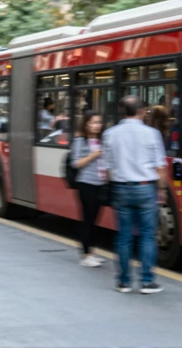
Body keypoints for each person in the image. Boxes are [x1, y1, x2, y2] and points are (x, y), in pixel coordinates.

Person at [103, 96, 167, 294]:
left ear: (122, 112)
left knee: (124, 236)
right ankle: (147, 281)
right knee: (148, 234)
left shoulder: (110, 134)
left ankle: (123, 281)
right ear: (141, 111)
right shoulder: (152, 134)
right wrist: (162, 189)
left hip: (121, 187)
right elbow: (160, 166)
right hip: (146, 187)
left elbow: (107, 168)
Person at [70, 110, 107, 268]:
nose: (97, 126)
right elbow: (75, 163)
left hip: (100, 183)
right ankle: (85, 255)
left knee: (95, 219)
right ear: (86, 124)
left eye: (99, 122)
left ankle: (91, 252)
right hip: (86, 183)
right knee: (87, 219)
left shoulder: (101, 140)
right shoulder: (80, 140)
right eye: (94, 122)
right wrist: (94, 155)